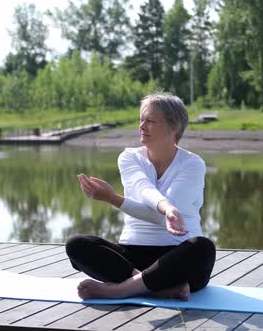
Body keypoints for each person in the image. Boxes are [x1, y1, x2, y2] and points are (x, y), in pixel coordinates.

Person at [66, 92, 216, 301]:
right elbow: (143, 188)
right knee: (77, 244)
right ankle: (154, 287)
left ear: (173, 128)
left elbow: (160, 219)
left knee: (203, 248)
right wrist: (164, 206)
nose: (142, 126)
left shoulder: (193, 164)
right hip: (132, 259)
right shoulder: (129, 157)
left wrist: (116, 199)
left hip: (177, 257)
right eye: (141, 120)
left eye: (151, 121)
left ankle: (119, 290)